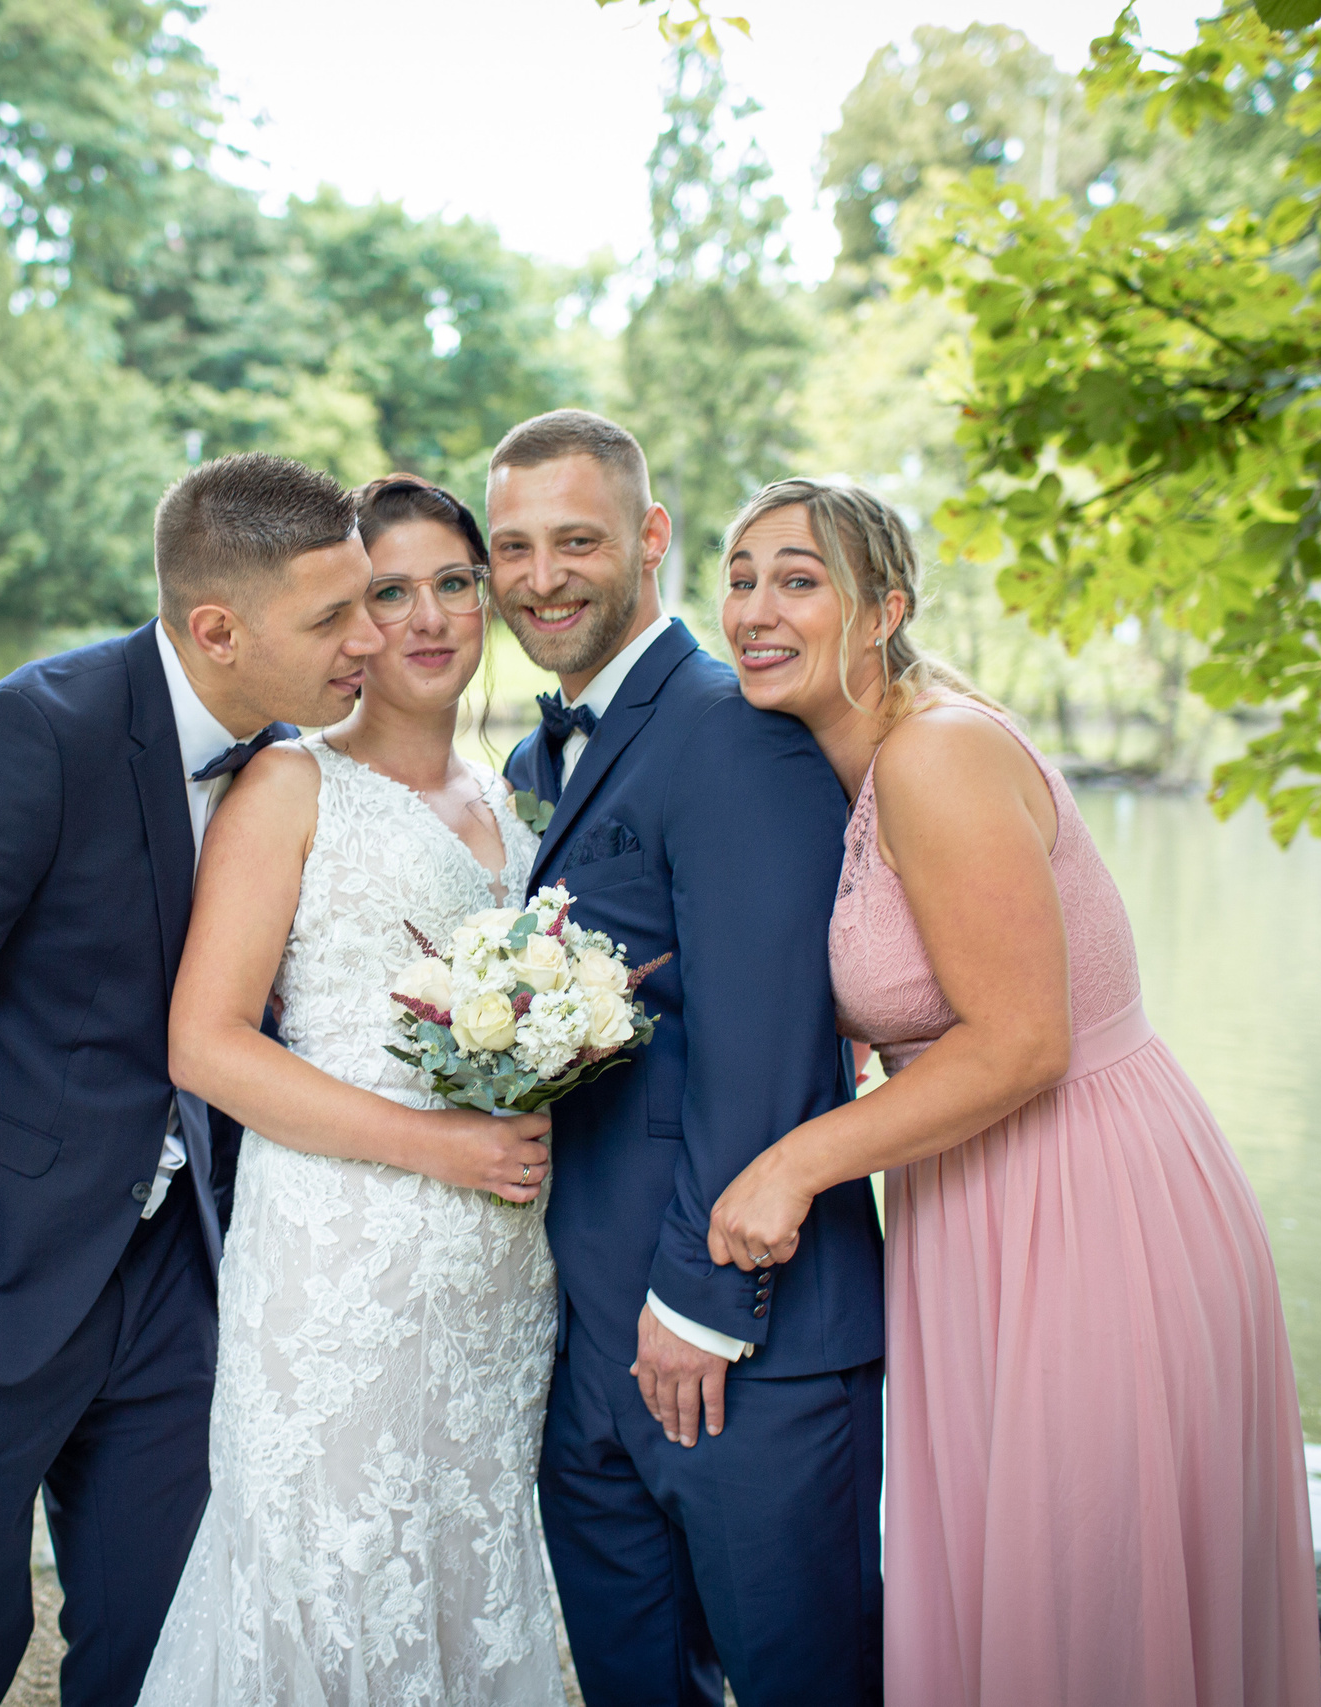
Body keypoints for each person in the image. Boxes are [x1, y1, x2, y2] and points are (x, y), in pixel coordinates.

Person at [700, 479, 1321, 1707]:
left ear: (884, 610)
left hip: (1082, 1197)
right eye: (738, 577)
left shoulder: (938, 754)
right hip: (973, 1197)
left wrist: (791, 1164)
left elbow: (1023, 1043)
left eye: (797, 579)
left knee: (1083, 1587)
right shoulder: (844, 762)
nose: (754, 610)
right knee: (1017, 1581)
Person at [0, 454, 396, 1707]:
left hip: (173, 1288)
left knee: (156, 1650)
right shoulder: (27, 737)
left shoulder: (285, 762)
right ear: (219, 630)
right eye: (334, 616)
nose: (370, 640)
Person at [139, 475, 564, 1707]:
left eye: (453, 585)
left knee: (463, 1576)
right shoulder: (288, 787)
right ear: (348, 620)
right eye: (386, 593)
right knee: (329, 1576)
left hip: (497, 1281)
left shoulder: (513, 795)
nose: (426, 619)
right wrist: (435, 1148)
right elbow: (206, 1047)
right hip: (338, 1266)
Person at [492, 412, 887, 1707]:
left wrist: (702, 1304)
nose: (540, 574)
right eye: (513, 545)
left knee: (795, 1679)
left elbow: (768, 1041)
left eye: (575, 540)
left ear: (650, 539)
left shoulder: (733, 730)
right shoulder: (552, 749)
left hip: (735, 1341)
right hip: (595, 1342)